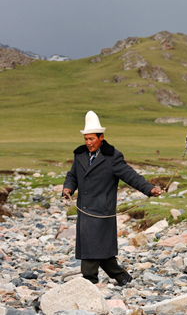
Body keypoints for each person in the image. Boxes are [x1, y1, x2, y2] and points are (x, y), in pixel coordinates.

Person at [62, 111, 162, 286]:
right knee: (103, 252)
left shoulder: (112, 157)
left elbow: (131, 176)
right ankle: (123, 278)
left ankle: (89, 283)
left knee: (91, 250)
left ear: (101, 137)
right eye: (86, 139)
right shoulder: (79, 155)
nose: (88, 143)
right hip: (84, 210)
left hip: (102, 211)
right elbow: (72, 176)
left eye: (91, 139)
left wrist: (149, 189)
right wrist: (67, 188)